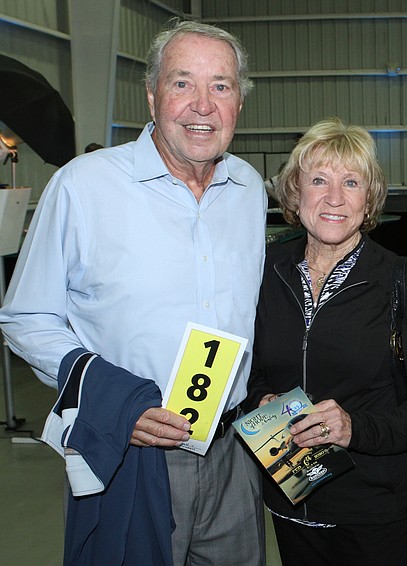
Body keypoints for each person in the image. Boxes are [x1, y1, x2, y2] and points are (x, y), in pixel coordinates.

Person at [0, 20, 267, 564]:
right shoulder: (83, 186)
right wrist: (110, 396)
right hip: (131, 452)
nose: (202, 105)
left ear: (238, 102)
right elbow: (25, 316)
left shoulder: (248, 189)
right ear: (151, 94)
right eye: (182, 83)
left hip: (235, 452)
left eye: (220, 86)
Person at [244, 117, 407, 566]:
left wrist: (354, 428)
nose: (334, 198)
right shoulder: (266, 271)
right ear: (295, 192)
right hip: (289, 499)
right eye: (319, 180)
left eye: (351, 182)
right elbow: (248, 369)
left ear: (369, 198)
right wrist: (261, 398)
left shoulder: (401, 280)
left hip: (372, 507)